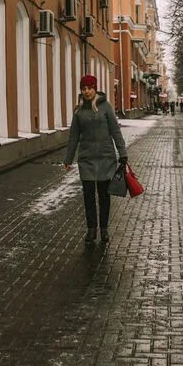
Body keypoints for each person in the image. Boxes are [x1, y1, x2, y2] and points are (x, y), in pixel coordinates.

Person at [63, 74, 127, 244]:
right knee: (89, 196)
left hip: (106, 158)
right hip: (87, 160)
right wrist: (68, 159)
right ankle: (91, 230)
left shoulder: (106, 107)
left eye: (89, 88)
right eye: (83, 89)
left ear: (95, 88)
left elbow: (115, 131)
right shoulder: (78, 111)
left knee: (104, 196)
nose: (87, 91)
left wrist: (123, 152)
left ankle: (104, 229)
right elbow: (73, 137)